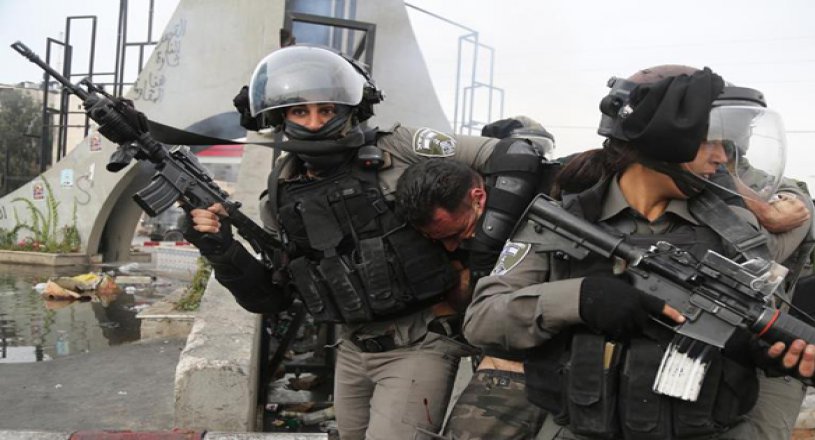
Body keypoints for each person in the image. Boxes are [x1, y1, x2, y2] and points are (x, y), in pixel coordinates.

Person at [463, 65, 815, 439]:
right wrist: (579, 298)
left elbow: (758, 321)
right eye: (708, 141)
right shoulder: (565, 220)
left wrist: (773, 352)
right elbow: (482, 320)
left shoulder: (733, 228)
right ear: (662, 137)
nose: (720, 158)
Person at [183, 45, 545, 440]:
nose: (315, 123)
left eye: (327, 110)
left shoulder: (398, 147)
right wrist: (221, 248)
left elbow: (515, 155)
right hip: (352, 350)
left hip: (419, 342)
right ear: (280, 116)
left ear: (350, 109)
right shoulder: (281, 192)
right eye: (300, 111)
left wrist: (487, 251)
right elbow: (274, 297)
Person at [395, 158, 549, 439]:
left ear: (478, 198)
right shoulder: (455, 229)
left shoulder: (541, 214)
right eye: (438, 239)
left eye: (456, 233)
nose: (451, 246)